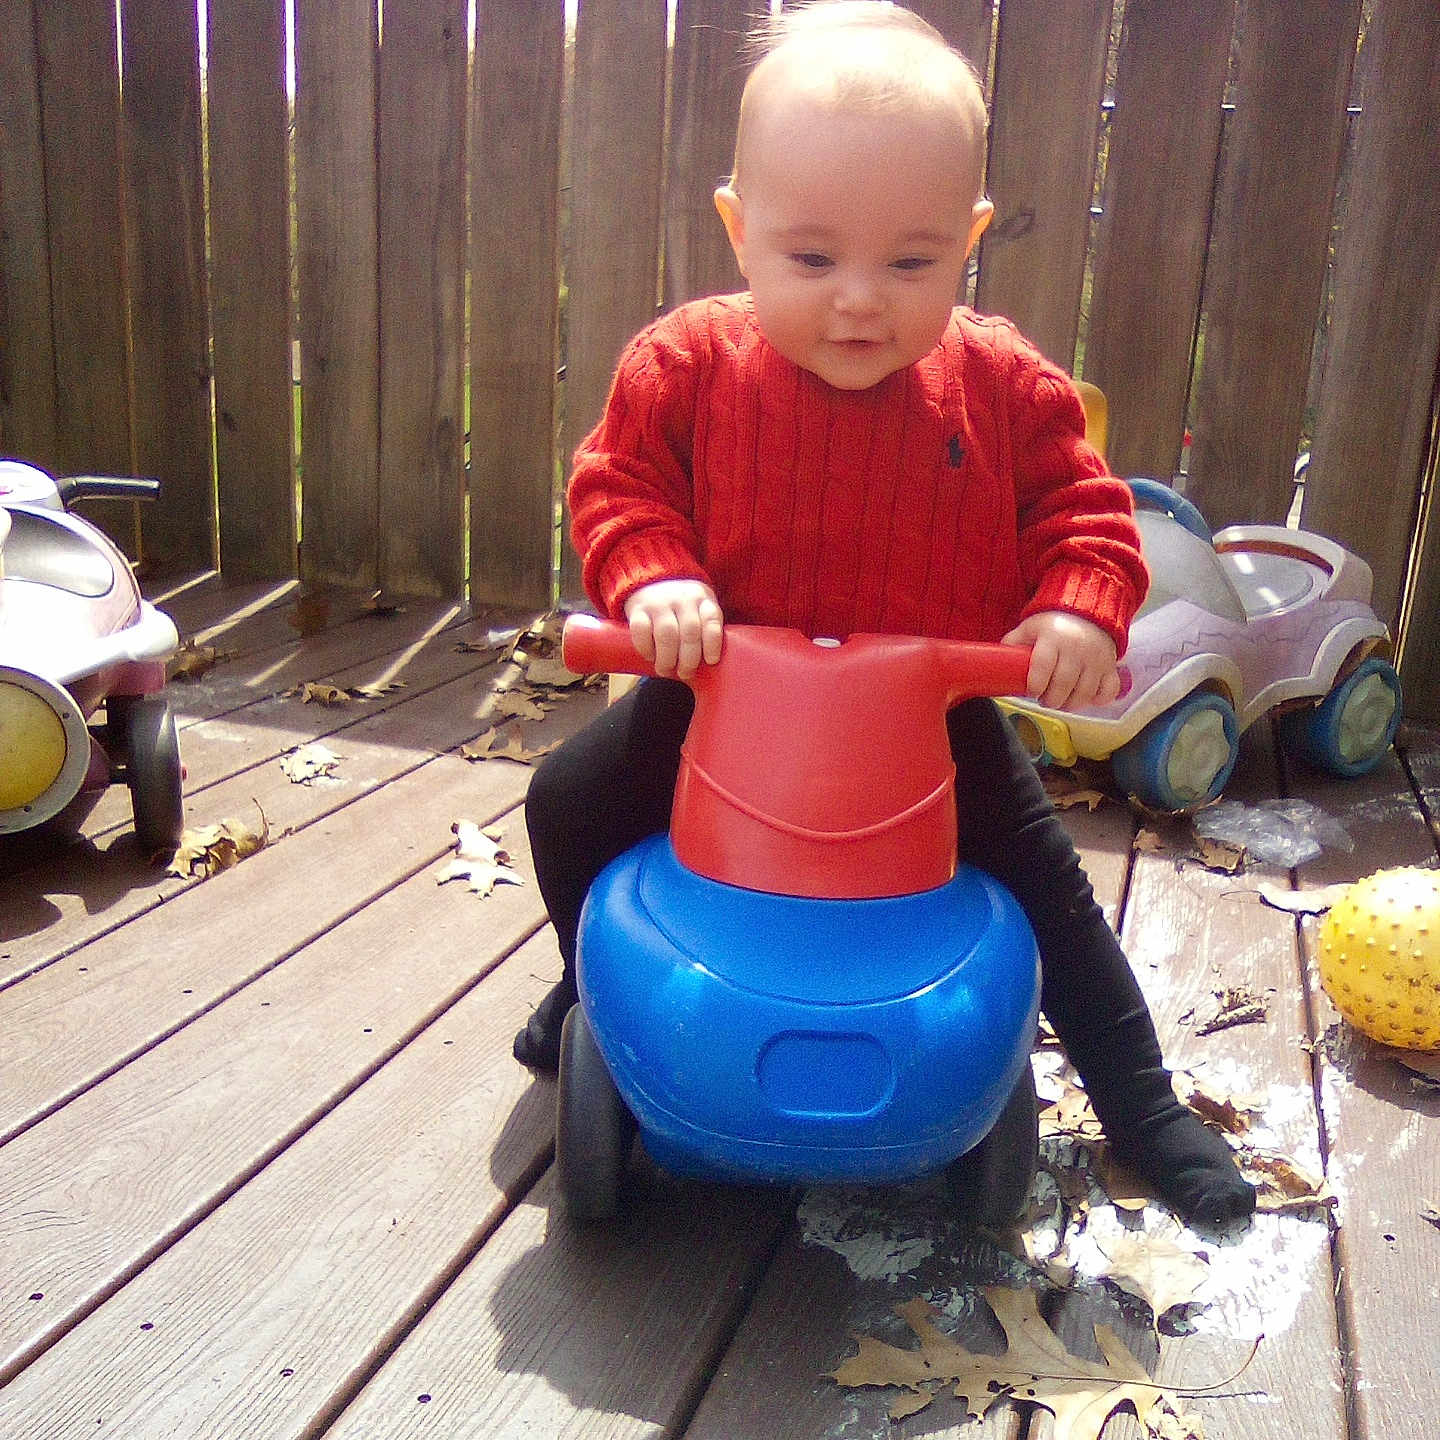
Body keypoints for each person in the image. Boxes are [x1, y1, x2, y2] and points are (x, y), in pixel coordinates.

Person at [517, 0, 1255, 1229]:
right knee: (569, 802)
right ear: (740, 232)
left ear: (967, 240)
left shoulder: (1005, 387)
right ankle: (588, 983)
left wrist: (1076, 609)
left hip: (926, 732)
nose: (861, 300)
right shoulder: (687, 367)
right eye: (813, 259)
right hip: (718, 708)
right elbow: (619, 486)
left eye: (910, 262)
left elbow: (1087, 514)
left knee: (1052, 898)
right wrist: (655, 578)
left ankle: (1141, 1102)